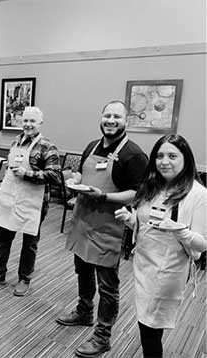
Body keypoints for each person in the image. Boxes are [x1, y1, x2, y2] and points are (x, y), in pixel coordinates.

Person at [55, 100, 149, 358]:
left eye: (117, 116)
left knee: (108, 285)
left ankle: (102, 336)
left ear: (126, 121)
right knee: (82, 270)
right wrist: (75, 180)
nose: (111, 120)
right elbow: (82, 177)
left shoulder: (134, 155)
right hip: (84, 221)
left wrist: (104, 196)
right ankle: (84, 311)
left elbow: (138, 194)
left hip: (109, 227)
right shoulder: (91, 146)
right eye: (107, 115)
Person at [115, 134, 207, 358]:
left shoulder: (198, 194)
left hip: (168, 270)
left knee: (150, 327)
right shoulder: (153, 187)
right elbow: (145, 221)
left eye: (172, 156)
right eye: (159, 156)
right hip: (143, 265)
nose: (164, 161)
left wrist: (179, 230)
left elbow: (202, 245)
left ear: (186, 159)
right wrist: (130, 220)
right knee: (145, 321)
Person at [0, 106, 61, 296]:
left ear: (40, 123)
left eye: (32, 121)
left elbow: (55, 176)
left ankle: (24, 279)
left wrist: (28, 174)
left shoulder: (47, 146)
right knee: (3, 238)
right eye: (25, 121)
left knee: (29, 242)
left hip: (34, 203)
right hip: (11, 198)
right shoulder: (16, 141)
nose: (28, 125)